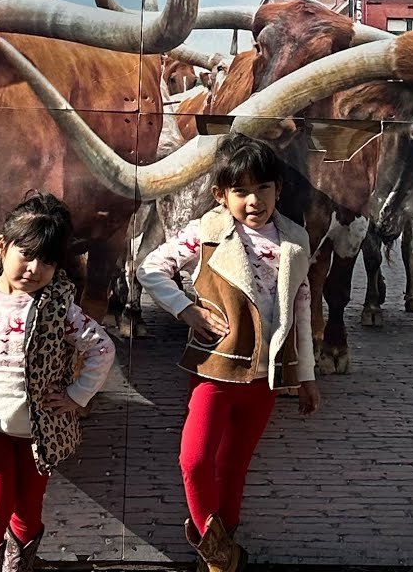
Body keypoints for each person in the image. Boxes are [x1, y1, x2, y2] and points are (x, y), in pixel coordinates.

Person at [138, 133, 321, 572]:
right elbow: (150, 268)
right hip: (215, 371)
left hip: (266, 378)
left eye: (262, 188)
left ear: (278, 189)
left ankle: (222, 552)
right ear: (221, 196)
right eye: (240, 191)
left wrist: (308, 376)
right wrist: (188, 310)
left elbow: (302, 307)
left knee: (234, 466)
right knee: (194, 460)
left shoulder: (295, 240)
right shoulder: (207, 233)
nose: (253, 200)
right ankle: (219, 555)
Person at [0, 192, 116, 572]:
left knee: (27, 511)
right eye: (27, 254)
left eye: (48, 261)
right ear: (3, 247)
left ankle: (20, 565)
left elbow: (101, 348)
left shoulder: (58, 307)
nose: (35, 269)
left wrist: (76, 396)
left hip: (39, 433)